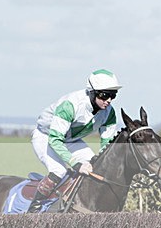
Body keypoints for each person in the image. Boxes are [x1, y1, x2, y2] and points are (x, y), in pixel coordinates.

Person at [27, 69, 122, 212]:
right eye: (104, 95)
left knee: (95, 166)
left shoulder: (109, 113)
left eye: (112, 96)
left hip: (71, 140)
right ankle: (33, 210)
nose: (108, 100)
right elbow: (55, 140)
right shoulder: (70, 105)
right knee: (59, 170)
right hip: (46, 137)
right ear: (92, 92)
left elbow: (106, 146)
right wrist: (75, 164)